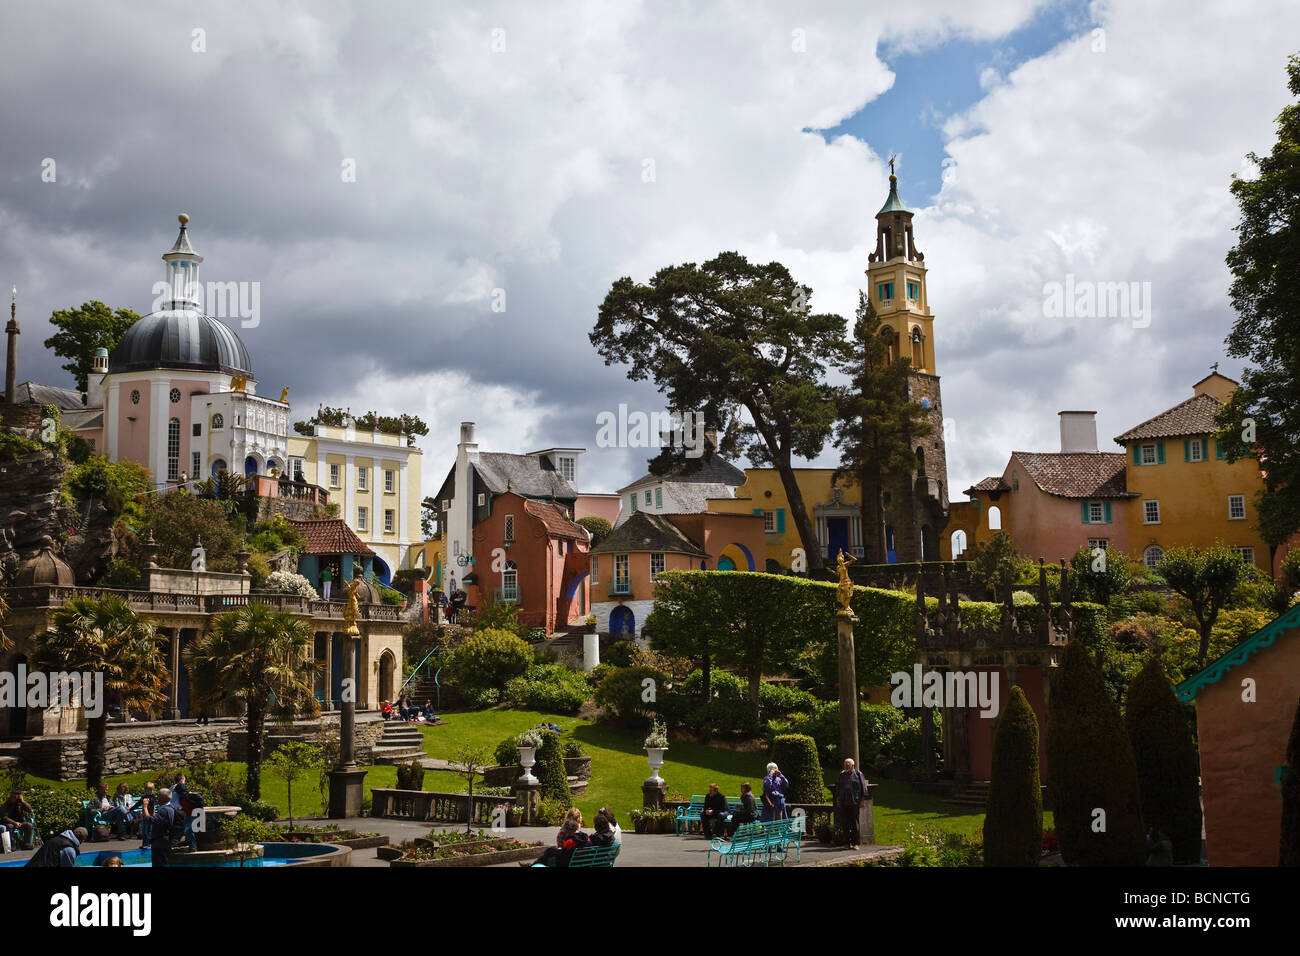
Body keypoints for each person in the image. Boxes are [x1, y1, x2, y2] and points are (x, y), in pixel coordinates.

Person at [835, 757, 869, 850]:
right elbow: (838, 787)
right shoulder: (842, 774)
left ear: (852, 765)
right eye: (845, 764)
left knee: (854, 823)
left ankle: (856, 843)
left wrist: (862, 800)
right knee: (845, 823)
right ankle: (846, 843)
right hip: (844, 801)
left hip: (854, 802)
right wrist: (838, 799)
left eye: (848, 765)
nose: (846, 766)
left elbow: (863, 788)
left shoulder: (858, 774)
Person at [151, 788, 178, 868]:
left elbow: (151, 820)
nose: (156, 798)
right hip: (165, 840)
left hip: (160, 841)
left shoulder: (164, 810)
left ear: (162, 798)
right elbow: (155, 818)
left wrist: (145, 807)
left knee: (160, 863)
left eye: (158, 796)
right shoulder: (170, 807)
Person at [134, 782, 157, 849]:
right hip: (144, 816)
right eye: (148, 790)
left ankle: (149, 844)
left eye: (151, 790)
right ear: (145, 790)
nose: (149, 791)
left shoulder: (153, 797)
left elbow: (154, 805)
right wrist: (131, 809)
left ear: (153, 790)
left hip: (151, 816)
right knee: (144, 830)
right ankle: (145, 844)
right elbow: (137, 804)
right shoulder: (143, 797)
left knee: (150, 830)